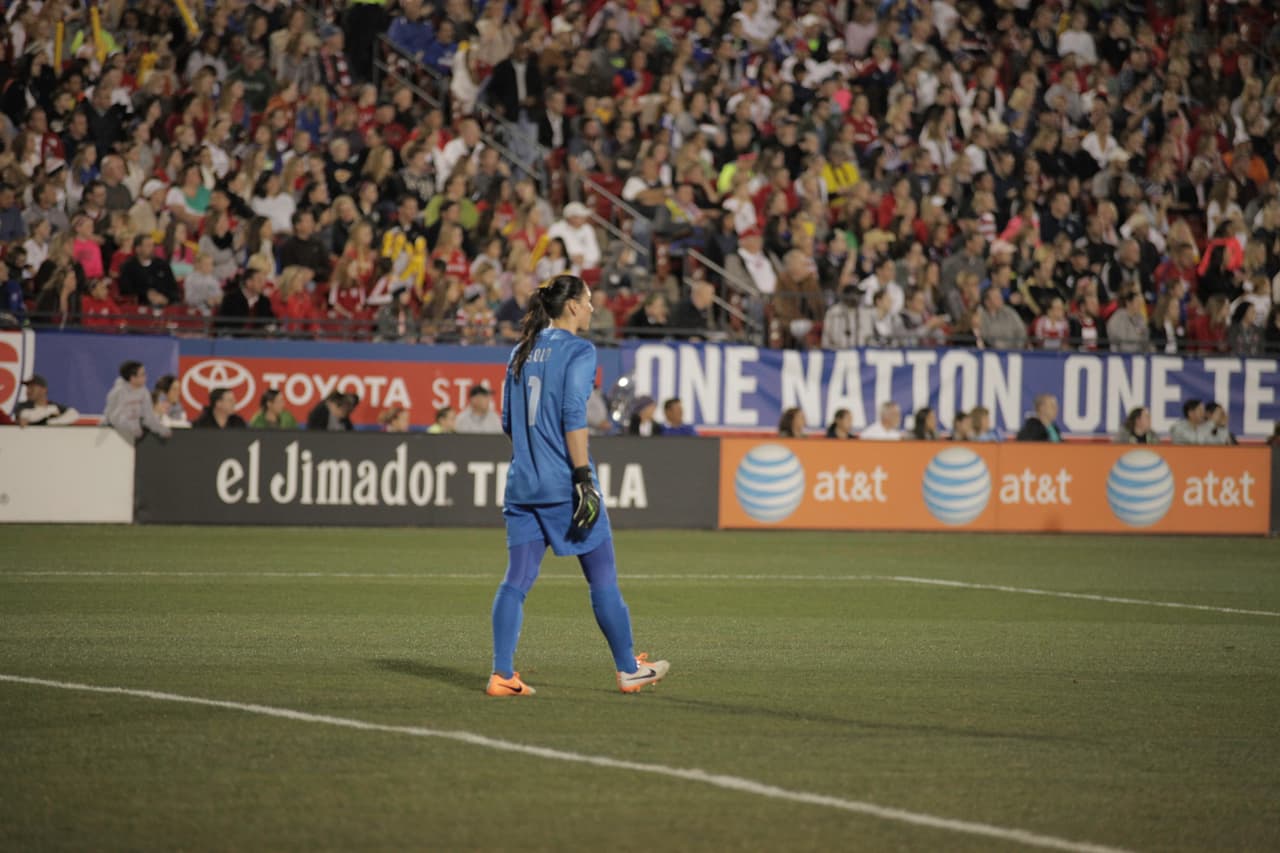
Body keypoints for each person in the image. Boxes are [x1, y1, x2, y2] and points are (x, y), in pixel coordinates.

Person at [488, 274, 669, 697]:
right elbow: (574, 413)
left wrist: (532, 458)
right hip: (563, 485)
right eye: (588, 301)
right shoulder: (580, 351)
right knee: (602, 575)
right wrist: (583, 478)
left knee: (516, 580)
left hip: (521, 485)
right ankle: (628, 669)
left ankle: (501, 674)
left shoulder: (521, 349)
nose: (591, 308)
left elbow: (508, 422)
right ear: (571, 306)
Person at [103, 360, 172, 444]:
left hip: (133, 438)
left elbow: (149, 417)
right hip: (113, 437)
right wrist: (132, 427)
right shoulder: (117, 393)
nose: (145, 377)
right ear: (133, 378)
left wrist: (162, 430)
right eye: (142, 374)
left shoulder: (144, 392)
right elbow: (113, 418)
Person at [15, 375, 80, 425]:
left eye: (32, 387)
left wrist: (53, 422)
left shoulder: (53, 406)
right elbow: (27, 416)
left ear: (43, 390)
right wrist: (49, 411)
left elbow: (74, 414)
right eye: (27, 388)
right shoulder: (22, 406)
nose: (28, 391)